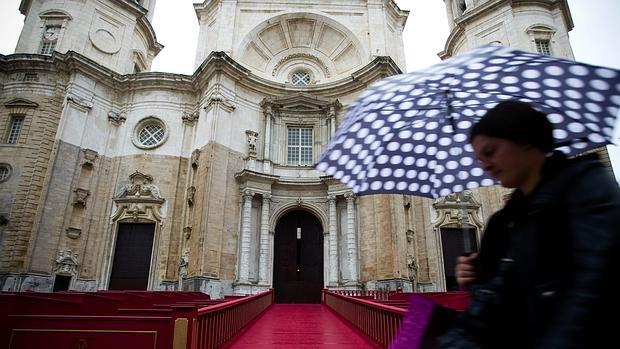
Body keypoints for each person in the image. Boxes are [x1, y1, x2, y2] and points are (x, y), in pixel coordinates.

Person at [436, 100, 620, 349]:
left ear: (524, 139)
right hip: (516, 333)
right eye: (480, 159)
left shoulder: (587, 188)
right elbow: (495, 304)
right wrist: (475, 279)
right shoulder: (504, 220)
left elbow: (588, 295)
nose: (486, 165)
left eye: (490, 152)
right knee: (417, 323)